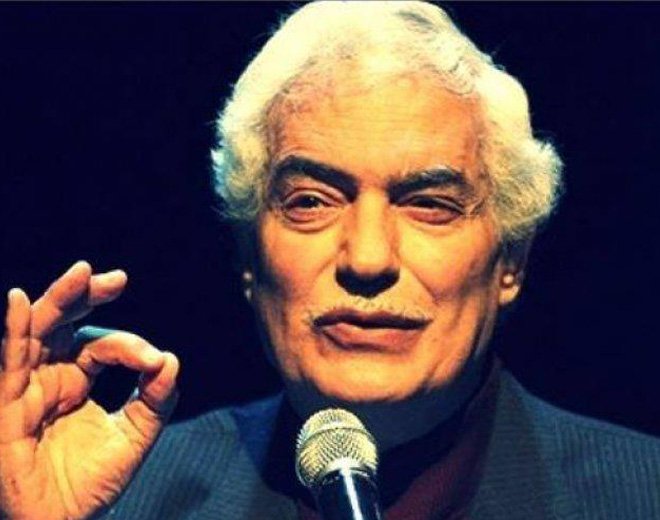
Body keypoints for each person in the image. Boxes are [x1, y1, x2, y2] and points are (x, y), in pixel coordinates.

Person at [1, 2, 659, 519]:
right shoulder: (124, 506)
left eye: (428, 205)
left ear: (510, 259)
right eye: (312, 202)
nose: (367, 259)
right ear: (249, 258)